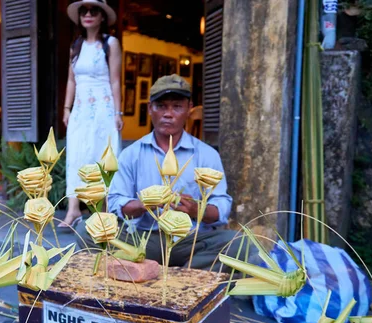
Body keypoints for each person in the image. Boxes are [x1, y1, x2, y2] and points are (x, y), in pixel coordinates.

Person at [76, 74, 247, 269]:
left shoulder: (207, 155)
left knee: (241, 243)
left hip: (189, 241)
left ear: (189, 109)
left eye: (177, 106)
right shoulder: (131, 154)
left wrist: (195, 210)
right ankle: (152, 269)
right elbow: (115, 203)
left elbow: (221, 208)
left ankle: (178, 277)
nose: (168, 113)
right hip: (143, 238)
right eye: (161, 106)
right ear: (150, 109)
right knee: (87, 229)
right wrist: (143, 204)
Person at [59, 0, 123, 229]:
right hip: (81, 109)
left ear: (102, 16)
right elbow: (71, 80)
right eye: (83, 11)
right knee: (76, 156)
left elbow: (115, 80)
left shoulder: (110, 44)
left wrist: (118, 112)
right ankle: (73, 210)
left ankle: (105, 212)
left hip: (103, 109)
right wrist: (66, 109)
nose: (88, 15)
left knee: (104, 155)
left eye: (93, 11)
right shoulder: (75, 46)